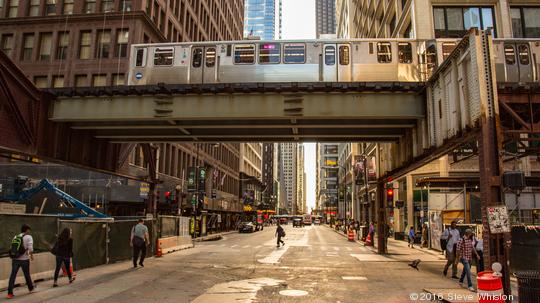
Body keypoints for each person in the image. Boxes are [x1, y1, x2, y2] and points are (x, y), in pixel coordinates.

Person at [7, 224, 35, 299]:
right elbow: (31, 248)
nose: (29, 231)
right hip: (24, 260)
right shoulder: (29, 237)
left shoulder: (16, 236)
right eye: (29, 229)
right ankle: (31, 288)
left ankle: (10, 293)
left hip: (15, 259)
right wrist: (31, 256)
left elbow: (12, 247)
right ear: (27, 230)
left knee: (13, 275)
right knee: (27, 274)